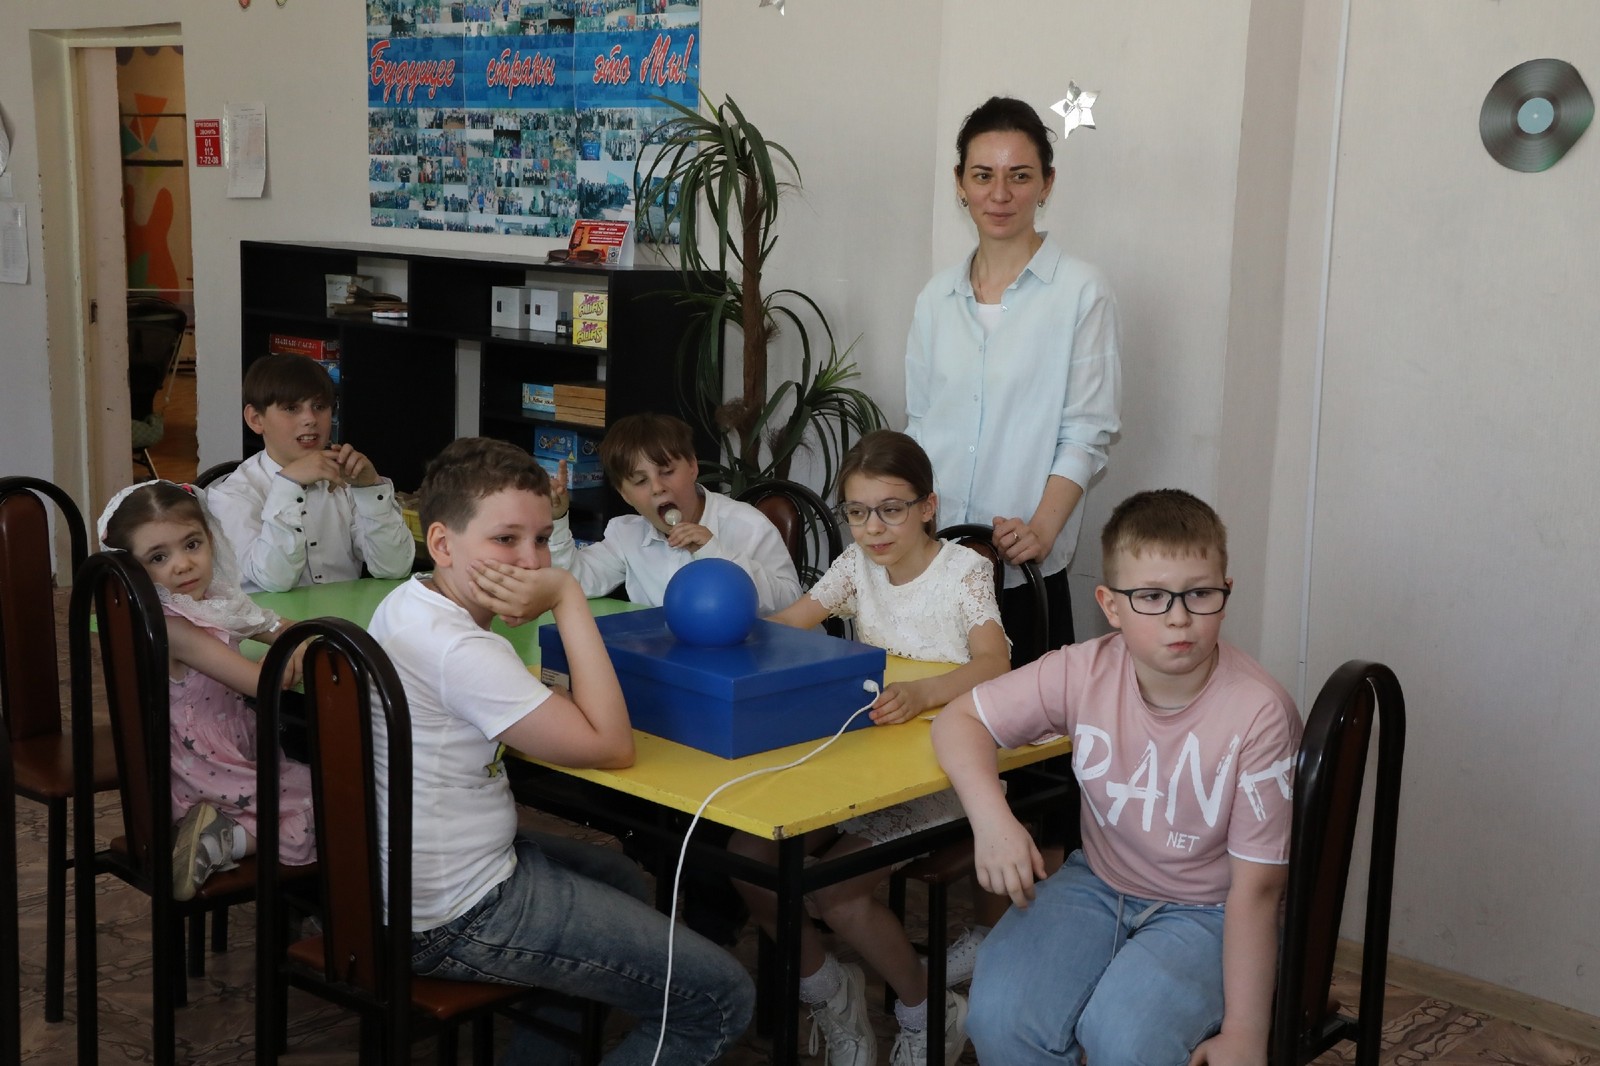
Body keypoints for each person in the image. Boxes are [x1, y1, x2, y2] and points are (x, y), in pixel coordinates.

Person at [365, 436, 753, 1065]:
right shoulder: (462, 649)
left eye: (543, 539)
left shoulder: (411, 603)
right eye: (505, 539)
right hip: (457, 913)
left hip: (405, 880)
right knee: (722, 998)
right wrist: (567, 597)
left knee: (619, 875)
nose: (531, 562)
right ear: (441, 543)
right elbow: (612, 745)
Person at [931, 489, 1302, 1066]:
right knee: (998, 1018)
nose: (1178, 617)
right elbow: (959, 721)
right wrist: (993, 821)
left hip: (1210, 909)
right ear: (1111, 605)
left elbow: (1257, 891)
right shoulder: (1083, 669)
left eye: (1199, 593)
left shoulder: (1259, 713)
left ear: (1226, 594)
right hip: (1099, 882)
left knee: (1124, 1038)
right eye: (1151, 596)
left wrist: (1246, 1032)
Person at [738, 430, 1012, 1066]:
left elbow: (994, 663)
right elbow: (790, 625)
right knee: (749, 859)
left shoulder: (964, 571)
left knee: (836, 892)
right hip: (862, 763)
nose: (872, 528)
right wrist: (723, 626)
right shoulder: (856, 565)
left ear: (928, 506)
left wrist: (923, 694)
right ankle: (831, 993)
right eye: (857, 512)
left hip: (944, 771)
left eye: (891, 509)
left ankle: (927, 1010)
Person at [904, 95, 1122, 658]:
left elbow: (1086, 433)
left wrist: (1041, 531)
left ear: (1047, 183)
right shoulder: (935, 298)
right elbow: (920, 426)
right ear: (960, 183)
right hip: (935, 565)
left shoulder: (1080, 292)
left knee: (1027, 715)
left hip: (1026, 574)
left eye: (1019, 176)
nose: (999, 194)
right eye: (983, 175)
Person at [98, 481, 316, 902]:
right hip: (203, 766)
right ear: (134, 573)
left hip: (223, 752)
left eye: (192, 544)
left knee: (313, 783)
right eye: (158, 557)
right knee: (330, 800)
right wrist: (291, 652)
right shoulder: (174, 627)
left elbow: (272, 625)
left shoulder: (211, 602)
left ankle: (222, 829)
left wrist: (294, 640)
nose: (183, 565)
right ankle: (223, 840)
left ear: (211, 539)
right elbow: (261, 684)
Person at [547, 412, 801, 613]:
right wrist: (557, 518)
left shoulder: (748, 526)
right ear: (625, 495)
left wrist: (715, 553)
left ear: (692, 466)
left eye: (667, 472)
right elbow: (573, 581)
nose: (658, 488)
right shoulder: (627, 535)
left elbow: (791, 604)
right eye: (640, 481)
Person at [208, 353, 415, 593]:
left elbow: (394, 567)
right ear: (256, 419)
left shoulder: (346, 481)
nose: (310, 419)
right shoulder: (232, 495)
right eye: (291, 408)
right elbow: (274, 580)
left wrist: (370, 489)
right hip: (271, 616)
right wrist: (289, 486)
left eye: (319, 406)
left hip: (343, 613)